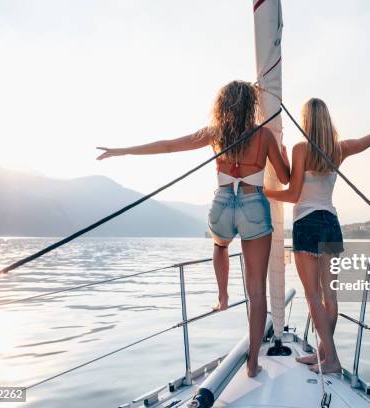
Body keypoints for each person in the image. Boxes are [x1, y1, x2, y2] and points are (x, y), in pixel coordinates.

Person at [96, 80, 290, 377]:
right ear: (251, 103)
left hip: (223, 204)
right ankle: (253, 362)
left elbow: (169, 145)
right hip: (253, 205)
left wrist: (123, 151)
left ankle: (223, 296)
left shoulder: (215, 134)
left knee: (220, 245)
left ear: (223, 105)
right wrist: (284, 154)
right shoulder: (264, 135)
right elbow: (286, 179)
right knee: (257, 291)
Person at [265, 97, 370, 373]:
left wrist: (264, 192)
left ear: (306, 121)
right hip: (331, 223)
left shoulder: (300, 149)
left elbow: (293, 194)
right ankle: (324, 354)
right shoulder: (339, 150)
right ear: (327, 120)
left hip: (307, 224)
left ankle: (331, 359)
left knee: (312, 296)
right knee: (329, 298)